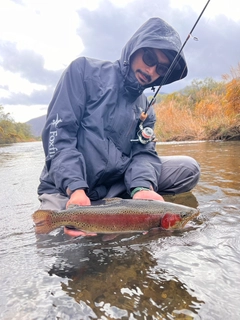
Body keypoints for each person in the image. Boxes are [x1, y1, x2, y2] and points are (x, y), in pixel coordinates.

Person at [37, 17, 200, 237]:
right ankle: (99, 208)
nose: (151, 70)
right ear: (135, 48)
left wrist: (143, 188)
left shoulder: (146, 108)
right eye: (149, 57)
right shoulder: (83, 72)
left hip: (115, 182)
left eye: (161, 68)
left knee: (188, 169)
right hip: (67, 185)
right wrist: (75, 188)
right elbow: (59, 137)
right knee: (62, 245)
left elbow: (143, 154)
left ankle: (127, 206)